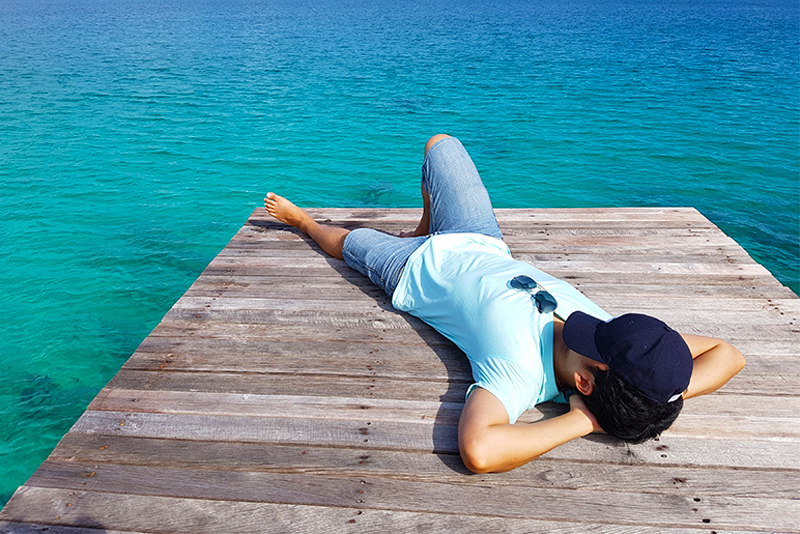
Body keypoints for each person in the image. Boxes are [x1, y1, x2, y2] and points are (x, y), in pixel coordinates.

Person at [264, 134, 746, 474]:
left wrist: (582, 420)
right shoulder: (630, 353)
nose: (598, 325)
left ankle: (303, 222)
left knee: (347, 241)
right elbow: (729, 354)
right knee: (441, 145)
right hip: (484, 242)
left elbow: (480, 450)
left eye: (597, 337)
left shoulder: (516, 374)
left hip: (412, 272)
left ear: (584, 381)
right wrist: (655, 401)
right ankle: (424, 222)